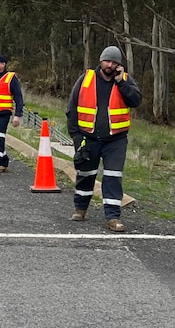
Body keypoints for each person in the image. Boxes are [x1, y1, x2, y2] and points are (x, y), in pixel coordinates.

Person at [66, 45, 141, 232]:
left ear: (119, 65)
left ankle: (113, 217)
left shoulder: (125, 81)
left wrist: (121, 82)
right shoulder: (85, 79)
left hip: (116, 140)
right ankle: (80, 209)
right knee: (85, 175)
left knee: (113, 177)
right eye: (107, 61)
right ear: (101, 61)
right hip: (88, 138)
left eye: (115, 62)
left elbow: (136, 101)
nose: (110, 64)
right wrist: (75, 136)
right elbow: (72, 107)